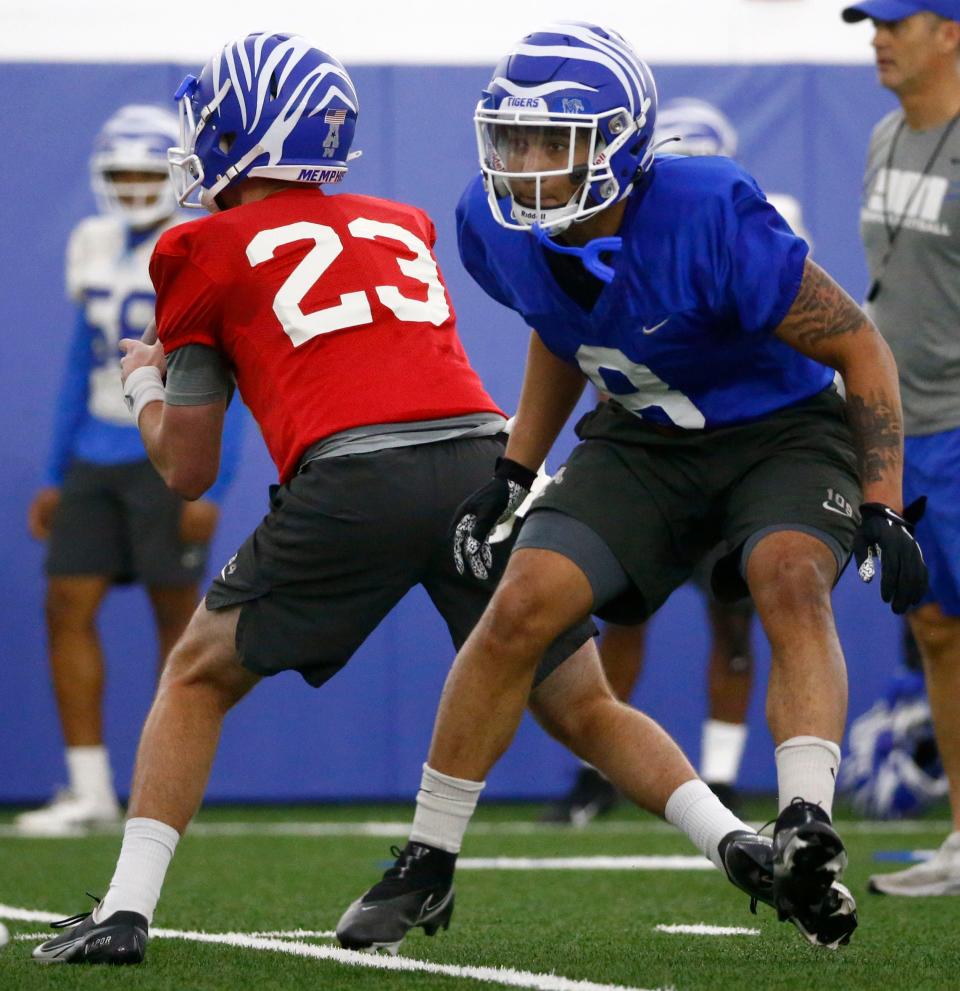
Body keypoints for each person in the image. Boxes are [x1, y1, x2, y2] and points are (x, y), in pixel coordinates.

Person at [31, 32, 784, 965]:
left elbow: (185, 467)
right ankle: (735, 839)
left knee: (197, 673)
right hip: (482, 456)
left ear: (246, 134)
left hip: (357, 475)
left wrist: (147, 381)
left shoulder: (198, 245)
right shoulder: (400, 220)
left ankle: (126, 910)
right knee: (581, 702)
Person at [338, 20, 930, 954]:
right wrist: (513, 473)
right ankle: (427, 857)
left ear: (621, 140)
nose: (526, 162)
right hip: (642, 437)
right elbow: (556, 325)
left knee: (787, 575)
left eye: (552, 141)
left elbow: (859, 344)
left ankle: (807, 822)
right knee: (521, 603)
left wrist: (884, 496)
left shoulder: (708, 210)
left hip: (778, 434)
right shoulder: (490, 222)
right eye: (513, 137)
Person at [543, 96, 813, 824]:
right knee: (619, 612)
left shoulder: (741, 224)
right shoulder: (610, 229)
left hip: (740, 446)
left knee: (734, 622)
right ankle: (597, 774)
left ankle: (719, 776)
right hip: (651, 448)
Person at [16, 105, 242, 837]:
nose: (138, 185)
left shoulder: (194, 242)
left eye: (150, 171)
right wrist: (56, 469)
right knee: (65, 604)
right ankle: (91, 788)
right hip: (95, 452)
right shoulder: (90, 241)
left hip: (169, 446)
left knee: (178, 620)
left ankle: (161, 788)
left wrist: (215, 478)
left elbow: (228, 367)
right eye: (124, 174)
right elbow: (80, 366)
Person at [843, 0, 960, 896]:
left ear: (951, 31)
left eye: (895, 22)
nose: (878, 37)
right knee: (936, 627)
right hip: (907, 428)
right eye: (870, 23)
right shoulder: (887, 136)